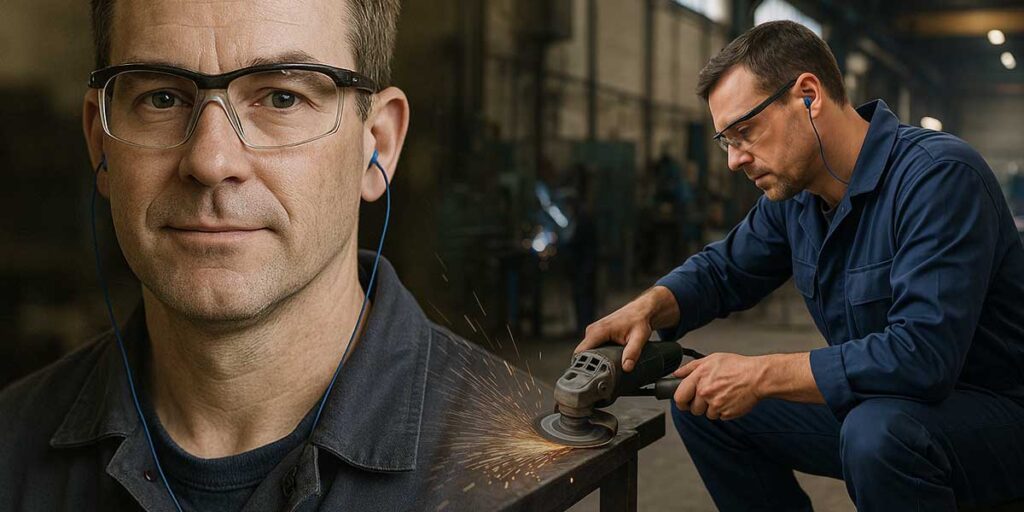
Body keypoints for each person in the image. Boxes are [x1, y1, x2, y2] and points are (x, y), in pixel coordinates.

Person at [0, 1, 503, 510]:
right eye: (162, 98)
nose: (211, 160)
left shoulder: (531, 478)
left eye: (282, 97)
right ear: (99, 140)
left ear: (379, 143)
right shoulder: (8, 453)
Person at [577, 21, 1024, 511]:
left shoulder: (938, 179)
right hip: (887, 405)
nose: (734, 160)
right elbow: (724, 270)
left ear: (808, 95)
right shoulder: (798, 197)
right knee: (703, 401)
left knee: (877, 435)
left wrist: (760, 374)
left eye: (743, 132)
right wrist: (648, 307)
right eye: (725, 141)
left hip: (995, 417)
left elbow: (922, 357)